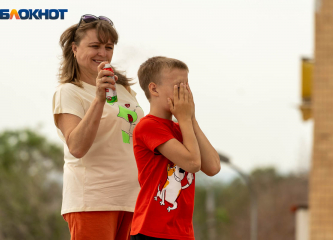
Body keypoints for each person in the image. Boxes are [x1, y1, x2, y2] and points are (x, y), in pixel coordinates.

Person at [52, 14, 144, 240]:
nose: (103, 53)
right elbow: (77, 147)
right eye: (95, 46)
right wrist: (99, 99)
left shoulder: (122, 88)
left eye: (108, 47)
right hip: (93, 201)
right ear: (74, 49)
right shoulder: (68, 92)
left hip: (135, 201)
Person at [130, 56, 221, 240]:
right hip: (152, 230)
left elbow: (213, 167)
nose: (185, 93)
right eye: (179, 86)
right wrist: (185, 119)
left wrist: (191, 119)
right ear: (154, 88)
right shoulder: (148, 126)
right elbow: (193, 163)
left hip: (181, 232)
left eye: (187, 86)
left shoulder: (182, 128)